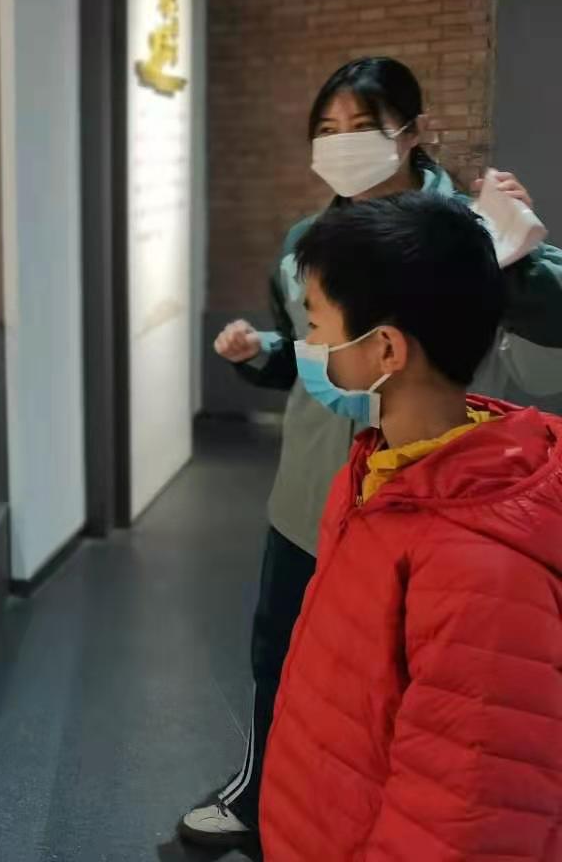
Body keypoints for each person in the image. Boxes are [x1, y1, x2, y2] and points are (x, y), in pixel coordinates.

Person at [180, 57, 562, 846]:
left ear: (411, 132)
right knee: (297, 657)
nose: (342, 144)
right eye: (326, 130)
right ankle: (275, 796)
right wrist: (264, 352)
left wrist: (516, 253)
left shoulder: (469, 231)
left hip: (432, 498)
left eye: (362, 126)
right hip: (324, 495)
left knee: (416, 692)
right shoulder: (308, 242)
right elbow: (312, 355)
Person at [260, 191, 562, 859]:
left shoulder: (482, 570)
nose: (310, 345)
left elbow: (466, 814)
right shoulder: (377, 472)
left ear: (386, 349)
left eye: (318, 324)